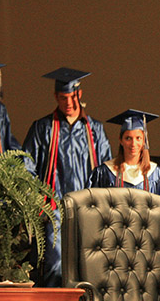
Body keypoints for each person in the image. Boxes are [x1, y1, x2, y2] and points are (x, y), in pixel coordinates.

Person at [23, 67, 112, 287]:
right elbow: (26, 167)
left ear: (80, 95)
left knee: (89, 265)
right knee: (55, 265)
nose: (69, 103)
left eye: (72, 97)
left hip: (87, 209)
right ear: (56, 97)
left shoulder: (95, 131)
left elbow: (106, 170)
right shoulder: (42, 128)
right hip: (54, 208)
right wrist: (38, 198)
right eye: (63, 98)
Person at [88, 109, 160, 193]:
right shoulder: (105, 172)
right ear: (121, 140)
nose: (133, 143)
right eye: (128, 138)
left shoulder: (156, 174)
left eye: (138, 138)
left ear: (144, 141)